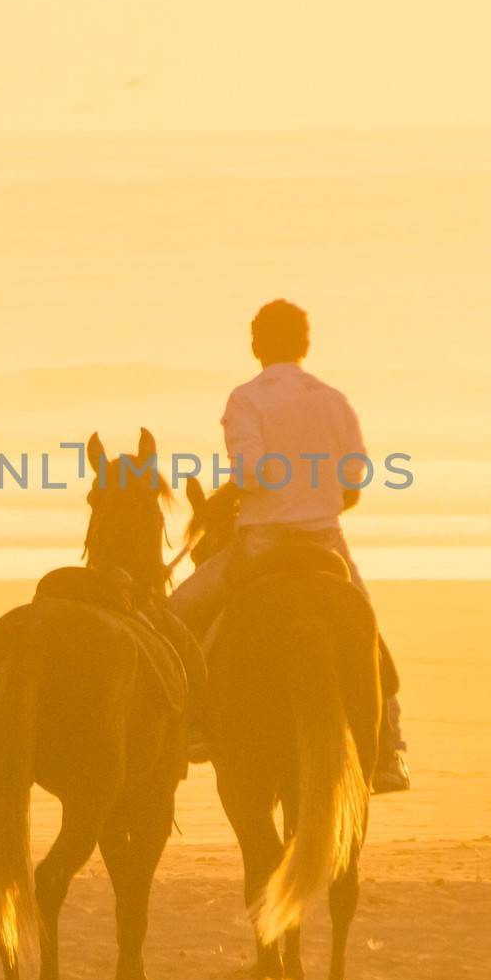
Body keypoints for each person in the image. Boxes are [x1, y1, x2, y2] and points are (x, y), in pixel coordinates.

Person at [170, 299, 410, 793]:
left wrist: (227, 501)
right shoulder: (334, 400)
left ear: (256, 345)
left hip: (260, 544)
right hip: (327, 544)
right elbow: (353, 484)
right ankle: (389, 752)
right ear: (305, 345)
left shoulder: (246, 399)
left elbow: (252, 471)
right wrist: (313, 500)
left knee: (174, 618)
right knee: (371, 636)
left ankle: (188, 729)